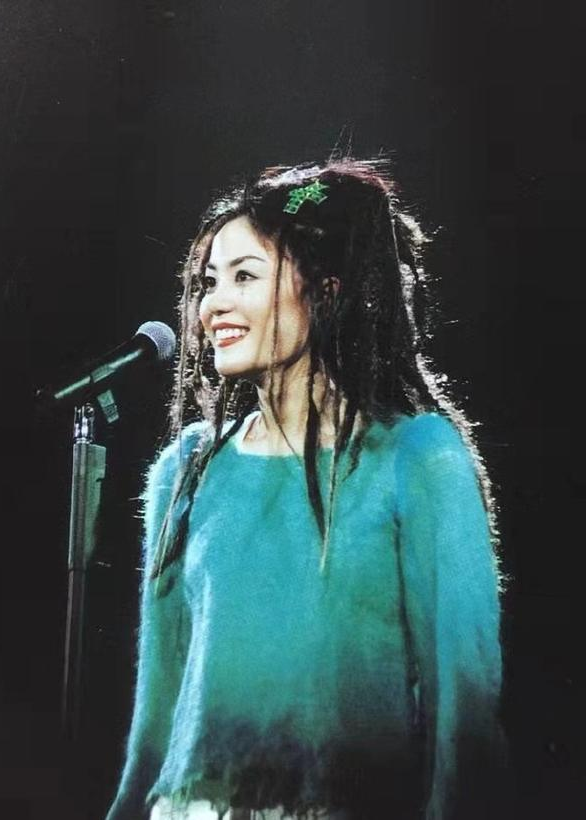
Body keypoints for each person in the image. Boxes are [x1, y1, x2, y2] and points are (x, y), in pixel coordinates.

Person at [106, 158, 508, 820]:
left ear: (324, 291)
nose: (213, 304)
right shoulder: (187, 470)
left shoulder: (416, 461)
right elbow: (157, 716)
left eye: (244, 276)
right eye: (208, 281)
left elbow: (463, 709)